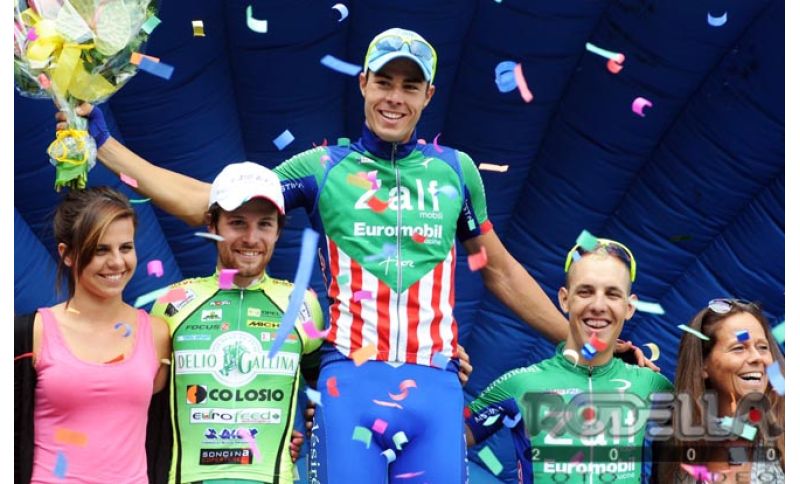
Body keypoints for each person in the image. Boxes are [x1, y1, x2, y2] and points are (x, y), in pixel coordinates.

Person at [57, 27, 653, 482]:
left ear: (428, 95)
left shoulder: (456, 171)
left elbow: (496, 268)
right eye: (384, 82)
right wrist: (106, 145)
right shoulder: (321, 167)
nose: (395, 97)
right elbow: (215, 204)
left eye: (410, 86)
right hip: (349, 385)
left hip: (436, 387)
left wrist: (582, 342)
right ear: (363, 82)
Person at [148, 162, 324, 484]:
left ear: (278, 231)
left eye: (265, 224)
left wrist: (310, 422)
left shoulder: (303, 304)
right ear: (212, 224)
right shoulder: (172, 304)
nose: (251, 238)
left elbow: (324, 391)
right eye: (237, 222)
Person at [465, 238, 673, 483]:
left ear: (629, 307)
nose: (598, 305)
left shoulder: (652, 383)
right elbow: (443, 439)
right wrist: (442, 373)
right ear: (565, 300)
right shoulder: (520, 383)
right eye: (585, 292)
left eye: (612, 294)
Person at [14, 186, 172, 483]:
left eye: (126, 247)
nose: (117, 262)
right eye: (101, 250)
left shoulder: (157, 333)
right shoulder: (32, 332)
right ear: (68, 254)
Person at [654, 300, 784, 483]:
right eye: (739, 348)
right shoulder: (672, 444)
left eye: (763, 347)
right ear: (703, 364)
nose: (757, 357)